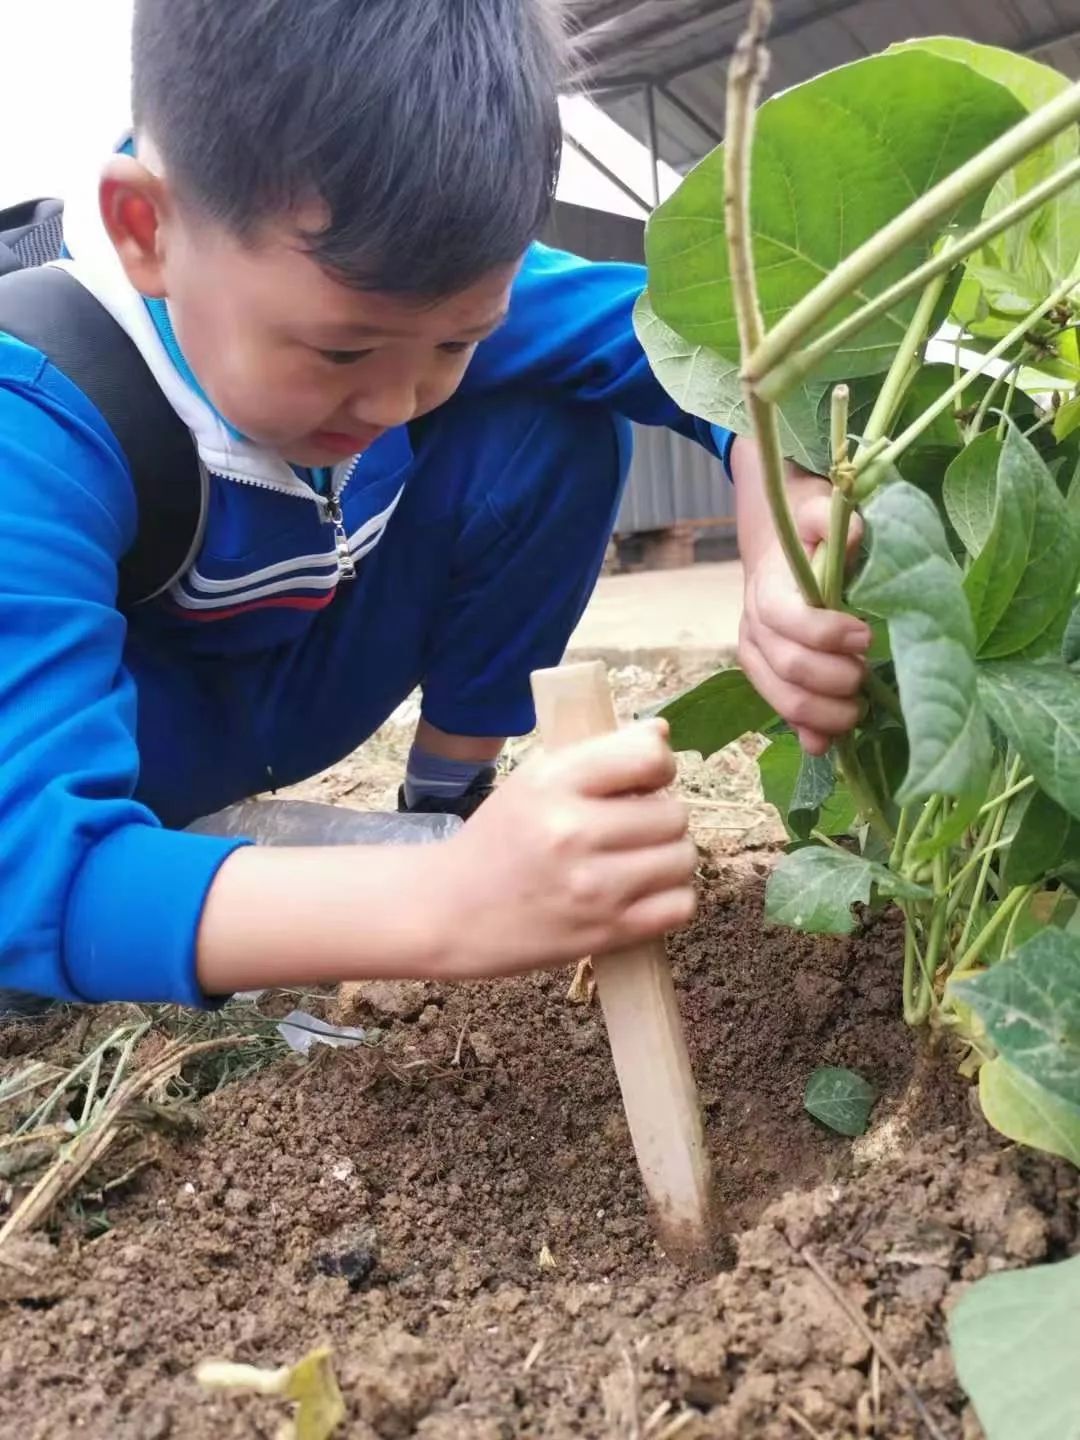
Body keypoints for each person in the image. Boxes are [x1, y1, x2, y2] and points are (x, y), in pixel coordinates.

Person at [0, 0, 869, 1009]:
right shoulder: (37, 408)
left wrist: (774, 501)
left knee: (555, 423)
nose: (395, 402)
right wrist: (448, 903)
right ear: (146, 227)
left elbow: (676, 343)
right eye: (341, 350)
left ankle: (446, 800)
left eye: (457, 343)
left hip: (296, 679)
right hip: (139, 750)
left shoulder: (407, 284)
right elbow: (28, 884)